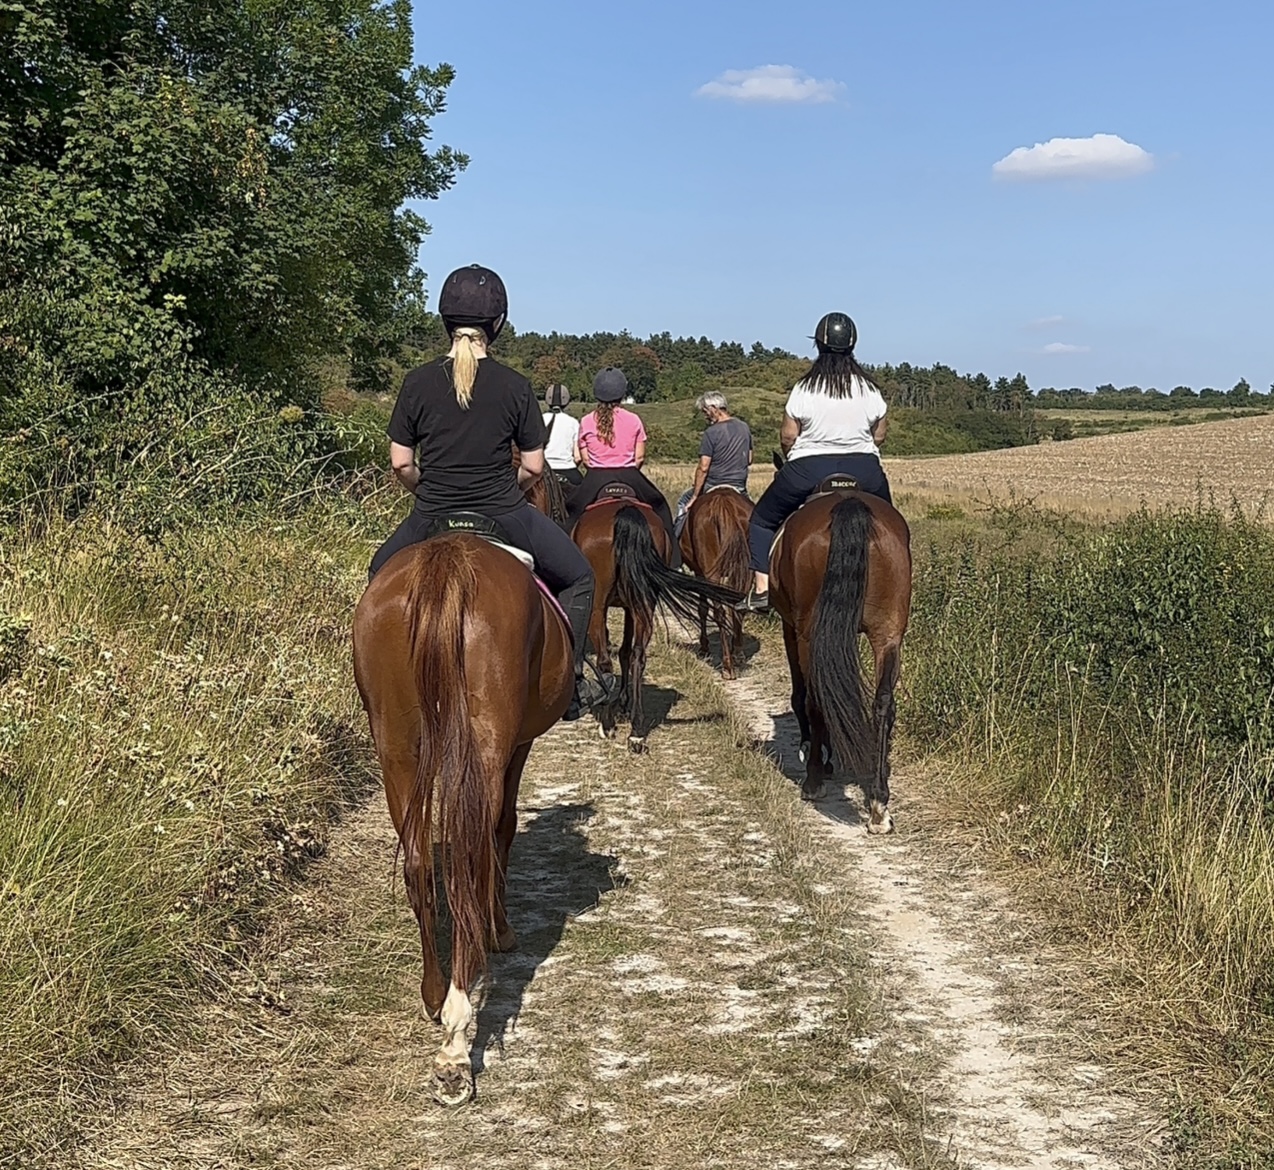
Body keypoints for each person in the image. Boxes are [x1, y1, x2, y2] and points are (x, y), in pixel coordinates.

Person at [369, 263, 609, 718]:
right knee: (580, 578)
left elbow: (401, 462)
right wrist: (508, 486)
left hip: (431, 513)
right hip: (503, 512)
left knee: (379, 577)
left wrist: (427, 490)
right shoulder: (516, 385)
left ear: (444, 320)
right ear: (496, 324)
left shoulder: (416, 382)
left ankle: (381, 688)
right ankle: (573, 685)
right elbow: (535, 467)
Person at [739, 311, 893, 612]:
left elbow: (788, 436)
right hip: (864, 468)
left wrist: (792, 454)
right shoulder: (870, 389)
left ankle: (761, 587)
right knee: (894, 524)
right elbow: (879, 436)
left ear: (819, 345)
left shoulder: (804, 388)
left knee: (761, 520)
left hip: (808, 468)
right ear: (852, 345)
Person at [565, 368, 679, 560]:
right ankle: (674, 560)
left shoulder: (586, 420)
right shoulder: (634, 419)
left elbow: (585, 459)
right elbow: (640, 457)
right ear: (622, 393)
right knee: (660, 507)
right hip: (629, 474)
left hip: (596, 477)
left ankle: (565, 561)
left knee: (571, 511)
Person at [674, 391, 752, 538]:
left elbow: (703, 467)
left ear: (714, 408)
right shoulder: (744, 427)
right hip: (739, 486)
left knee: (683, 502)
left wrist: (695, 496)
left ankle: (674, 547)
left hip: (713, 484)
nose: (705, 416)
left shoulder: (711, 432)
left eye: (706, 411)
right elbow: (749, 459)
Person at [541, 384, 583, 486]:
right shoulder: (573, 422)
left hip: (543, 469)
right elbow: (577, 457)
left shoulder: (540, 419)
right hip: (567, 470)